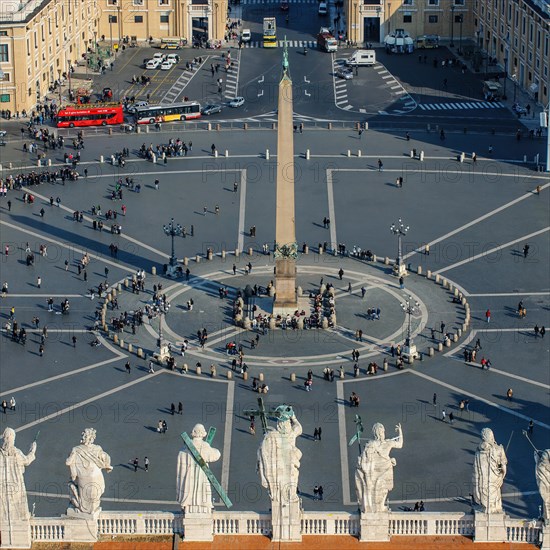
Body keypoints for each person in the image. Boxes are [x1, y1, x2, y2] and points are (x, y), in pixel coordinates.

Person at [257, 405, 302, 516]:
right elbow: (299, 427)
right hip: (289, 470)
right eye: (286, 423)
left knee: (285, 492)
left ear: (278, 424)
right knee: (289, 491)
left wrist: (263, 475)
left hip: (281, 472)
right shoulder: (290, 434)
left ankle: (285, 507)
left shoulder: (271, 436)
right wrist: (293, 418)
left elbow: (261, 456)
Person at [355, 423, 403, 513]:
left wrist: (360, 464)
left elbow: (365, 459)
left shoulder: (371, 444)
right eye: (382, 431)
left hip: (375, 470)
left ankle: (377, 507)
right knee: (384, 489)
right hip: (386, 468)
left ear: (374, 433)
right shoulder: (388, 442)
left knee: (380, 488)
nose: (382, 433)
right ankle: (380, 506)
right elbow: (400, 444)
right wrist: (400, 431)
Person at [66, 428, 113, 515]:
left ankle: (84, 509)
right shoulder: (97, 448)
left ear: (90, 438)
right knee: (95, 492)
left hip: (84, 475)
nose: (83, 437)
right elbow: (105, 458)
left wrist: (71, 456)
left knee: (84, 493)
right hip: (94, 475)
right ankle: (92, 509)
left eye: (85, 436)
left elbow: (68, 462)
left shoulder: (76, 449)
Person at [176, 424, 221, 513]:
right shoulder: (205, 446)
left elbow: (180, 468)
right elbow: (216, 455)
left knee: (189, 487)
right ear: (203, 433)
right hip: (202, 473)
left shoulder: (184, 448)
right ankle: (206, 503)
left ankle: (186, 503)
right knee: (204, 488)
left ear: (193, 433)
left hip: (189, 475)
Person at [0, 427, 37, 522]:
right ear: (11, 438)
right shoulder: (16, 453)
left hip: (2, 486)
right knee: (17, 505)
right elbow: (27, 461)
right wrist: (32, 451)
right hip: (16, 484)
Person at [473, 428, 507, 513]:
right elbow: (503, 467)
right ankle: (494, 507)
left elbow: (476, 469)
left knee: (484, 494)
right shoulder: (498, 449)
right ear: (492, 436)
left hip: (483, 481)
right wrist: (502, 474)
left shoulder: (478, 451)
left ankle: (486, 507)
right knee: (495, 493)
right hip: (494, 479)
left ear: (483, 437)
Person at [535, 449, 550, 521]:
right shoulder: (547, 453)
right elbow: (542, 465)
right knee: (547, 499)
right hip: (546, 478)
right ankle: (547, 517)